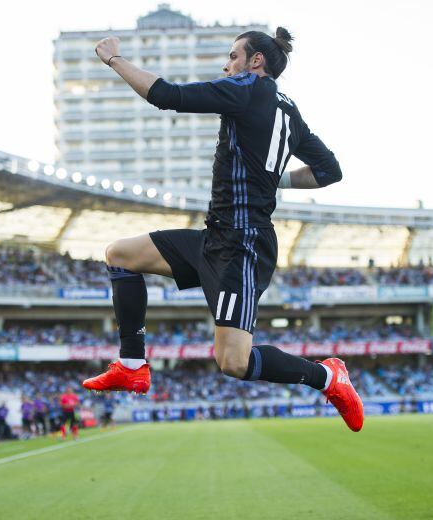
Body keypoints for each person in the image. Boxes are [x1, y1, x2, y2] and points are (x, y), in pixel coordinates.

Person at [82, 28, 363, 432]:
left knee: (234, 362)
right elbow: (328, 171)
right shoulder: (289, 111)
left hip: (242, 245)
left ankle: (328, 376)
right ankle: (131, 364)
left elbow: (166, 95)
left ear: (255, 62)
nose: (226, 64)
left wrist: (114, 59)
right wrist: (274, 178)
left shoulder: (247, 87)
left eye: (232, 55)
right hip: (216, 236)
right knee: (120, 254)